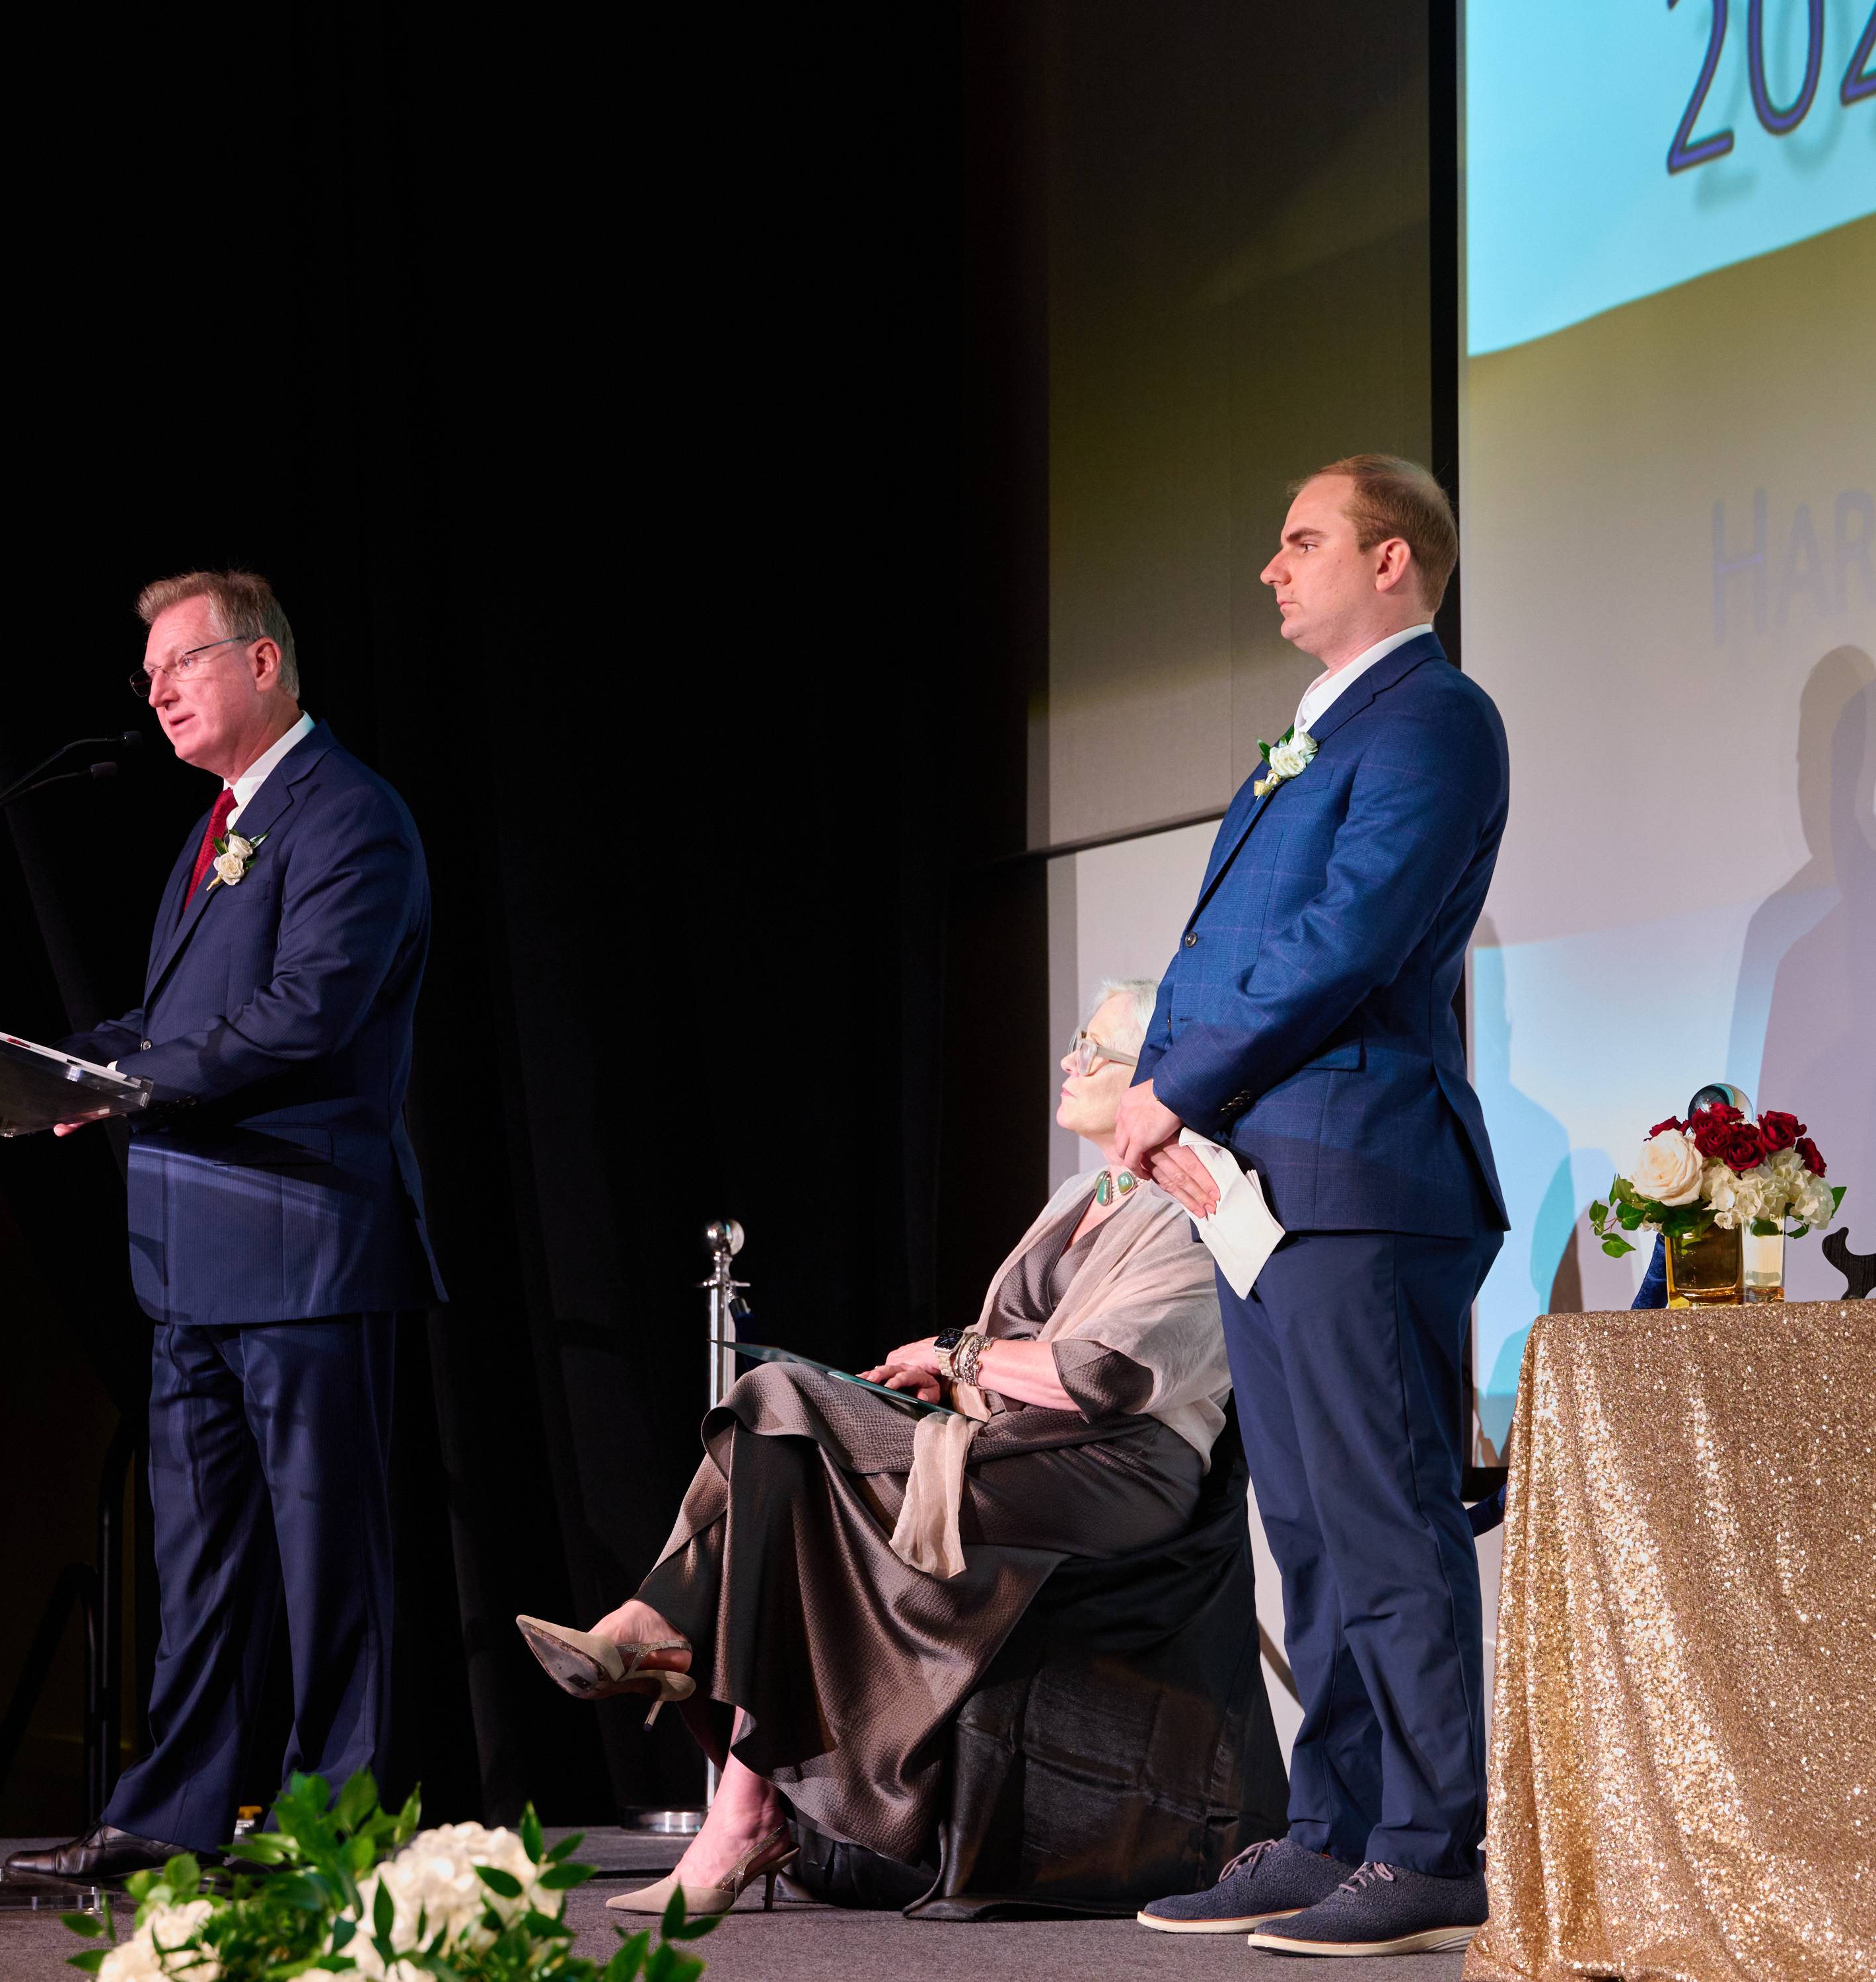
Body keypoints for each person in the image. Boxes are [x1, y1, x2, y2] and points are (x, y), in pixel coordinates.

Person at [512, 980, 1231, 1917]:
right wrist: (954, 1384)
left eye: (1093, 1051)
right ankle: (740, 1802)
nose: (1070, 1061)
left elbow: (1105, 1376)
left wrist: (953, 1355)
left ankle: (667, 1641)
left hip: (1116, 1469)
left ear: (1155, 1080)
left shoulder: (1193, 1203)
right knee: (780, 1452)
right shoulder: (1077, 1195)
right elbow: (1013, 1353)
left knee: (774, 1402)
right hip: (1009, 1442)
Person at [1116, 456, 1509, 1959]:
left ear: (1392, 559)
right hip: (1262, 1184)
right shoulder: (1321, 730)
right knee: (1307, 1528)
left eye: (1302, 541)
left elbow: (1348, 939)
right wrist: (1153, 1087)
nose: (1273, 570)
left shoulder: (1436, 718)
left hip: (1362, 1174)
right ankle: (1336, 1827)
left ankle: (1434, 1846)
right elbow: (1227, 946)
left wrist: (1176, 1082)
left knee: (1384, 1517)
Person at [6, 569, 443, 1882]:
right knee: (197, 1566)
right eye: (148, 675)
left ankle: (331, 1824)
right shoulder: (219, 829)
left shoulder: (350, 815)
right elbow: (176, 1020)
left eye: (180, 664)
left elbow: (310, 1012)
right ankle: (171, 1814)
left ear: (263, 663)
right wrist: (65, 1067)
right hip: (191, 1258)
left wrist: (130, 1082)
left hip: (304, 1248)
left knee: (325, 1560)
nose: (156, 693)